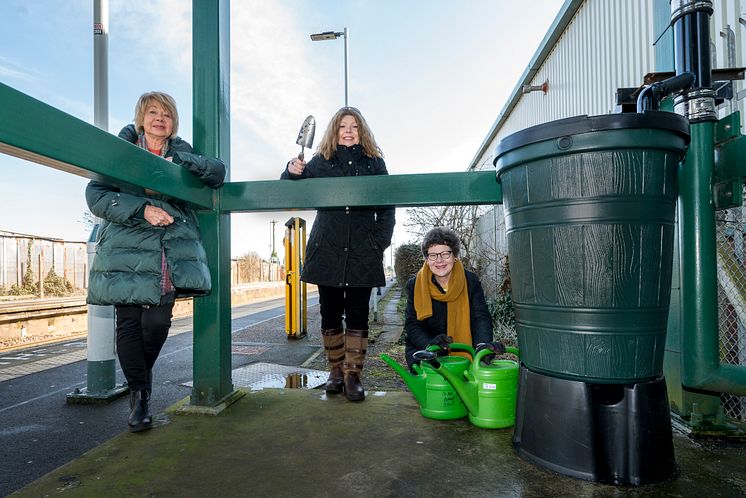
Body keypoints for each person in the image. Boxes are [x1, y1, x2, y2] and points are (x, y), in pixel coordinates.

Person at [86, 91, 226, 432]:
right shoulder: (119, 153)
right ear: (141, 118)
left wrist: (188, 164)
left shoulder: (182, 153)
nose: (159, 118)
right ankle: (141, 395)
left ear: (172, 122)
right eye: (152, 112)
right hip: (125, 250)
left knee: (158, 324)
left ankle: (139, 384)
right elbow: (96, 196)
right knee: (129, 325)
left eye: (166, 114)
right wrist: (141, 210)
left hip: (166, 251)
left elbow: (217, 174)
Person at [281, 107, 395, 402]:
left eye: (354, 126)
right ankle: (335, 371)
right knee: (330, 312)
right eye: (343, 126)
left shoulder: (374, 164)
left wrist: (377, 243)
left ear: (362, 131)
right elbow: (291, 189)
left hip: (361, 252)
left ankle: (353, 375)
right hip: (327, 250)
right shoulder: (320, 161)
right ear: (334, 130)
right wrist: (290, 172)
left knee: (358, 314)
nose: (348, 130)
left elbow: (387, 207)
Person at [404, 227, 497, 369]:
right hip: (425, 349)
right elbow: (413, 325)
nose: (439, 260)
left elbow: (480, 318)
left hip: (465, 349)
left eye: (445, 254)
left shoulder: (470, 281)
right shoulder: (415, 285)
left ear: (455, 256)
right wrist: (430, 346)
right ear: (427, 259)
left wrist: (482, 347)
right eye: (433, 255)